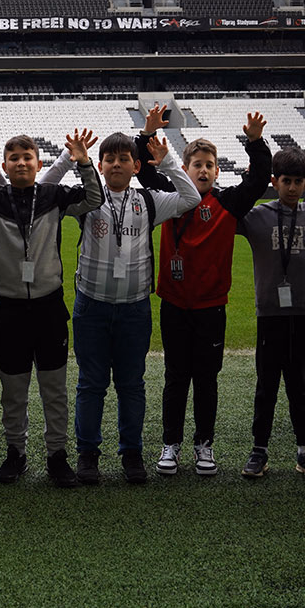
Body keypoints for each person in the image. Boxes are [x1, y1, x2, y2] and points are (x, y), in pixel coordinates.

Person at [0, 127, 103, 487]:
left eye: (27, 157)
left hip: (49, 310)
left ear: (38, 163)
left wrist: (82, 161)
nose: (21, 163)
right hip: (9, 312)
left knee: (54, 388)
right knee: (13, 391)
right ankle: (15, 452)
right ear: (4, 164)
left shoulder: (53, 195)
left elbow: (94, 199)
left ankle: (57, 455)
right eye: (14, 158)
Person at [67, 126, 198, 485]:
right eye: (109, 159)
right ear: (100, 164)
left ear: (136, 166)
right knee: (90, 384)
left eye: (124, 159)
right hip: (91, 306)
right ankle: (88, 453)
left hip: (133, 308)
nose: (116, 164)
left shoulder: (150, 201)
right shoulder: (87, 200)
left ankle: (131, 453)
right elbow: (48, 188)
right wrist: (72, 159)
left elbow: (191, 198)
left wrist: (169, 162)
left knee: (131, 384)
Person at [143, 114, 272, 477]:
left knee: (206, 378)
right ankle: (171, 443)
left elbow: (261, 178)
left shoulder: (229, 203)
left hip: (211, 307)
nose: (203, 171)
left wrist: (256, 142)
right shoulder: (170, 198)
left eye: (209, 166)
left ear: (217, 172)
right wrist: (149, 133)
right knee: (175, 375)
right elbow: (143, 169)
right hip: (173, 302)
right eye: (196, 165)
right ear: (183, 169)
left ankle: (204, 444)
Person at [235, 150, 305, 481]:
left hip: (302, 314)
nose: (293, 188)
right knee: (266, 385)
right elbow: (230, 210)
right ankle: (259, 450)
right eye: (287, 181)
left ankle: (304, 451)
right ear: (275, 182)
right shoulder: (257, 217)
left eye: (299, 182)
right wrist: (247, 181)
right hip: (269, 313)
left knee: (299, 386)